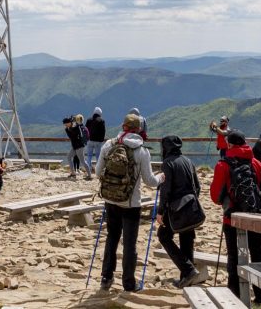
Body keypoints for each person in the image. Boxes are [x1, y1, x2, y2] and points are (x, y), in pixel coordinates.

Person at [95, 113, 162, 292]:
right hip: (131, 203)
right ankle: (129, 284)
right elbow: (150, 181)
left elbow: (97, 171)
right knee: (129, 244)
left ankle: (106, 278)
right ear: (139, 129)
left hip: (110, 200)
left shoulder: (109, 145)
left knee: (112, 238)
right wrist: (161, 178)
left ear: (123, 126)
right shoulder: (142, 151)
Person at [210, 130, 261, 306]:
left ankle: (235, 298)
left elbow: (215, 197)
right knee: (258, 256)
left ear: (229, 144)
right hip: (255, 217)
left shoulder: (223, 165)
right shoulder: (256, 164)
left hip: (232, 219)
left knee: (234, 258)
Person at [157, 135, 201, 288]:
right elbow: (198, 186)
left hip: (175, 208)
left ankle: (188, 270)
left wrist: (160, 211)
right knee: (187, 239)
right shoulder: (188, 161)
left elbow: (165, 190)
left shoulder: (167, 163)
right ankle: (187, 278)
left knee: (163, 235)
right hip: (191, 206)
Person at [85, 107, 106, 176]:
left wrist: (86, 138)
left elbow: (85, 130)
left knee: (89, 156)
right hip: (98, 141)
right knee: (98, 156)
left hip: (89, 140)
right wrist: (102, 139)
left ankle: (88, 170)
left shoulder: (89, 120)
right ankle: (98, 171)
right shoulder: (102, 121)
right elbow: (103, 131)